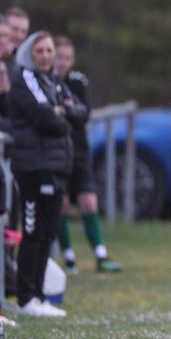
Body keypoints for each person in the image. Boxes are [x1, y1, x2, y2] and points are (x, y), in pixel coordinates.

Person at [8, 31, 84, 317]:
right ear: (29, 53)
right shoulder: (25, 79)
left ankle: (39, 295)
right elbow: (47, 118)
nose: (45, 56)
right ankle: (26, 298)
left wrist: (63, 113)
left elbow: (81, 112)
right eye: (39, 51)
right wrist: (61, 115)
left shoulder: (54, 81)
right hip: (34, 168)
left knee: (48, 232)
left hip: (56, 167)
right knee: (33, 232)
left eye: (49, 50)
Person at [53, 36, 123, 274]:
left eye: (67, 58)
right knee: (61, 204)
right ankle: (69, 257)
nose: (62, 62)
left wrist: (67, 111)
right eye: (59, 57)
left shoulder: (78, 81)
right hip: (57, 152)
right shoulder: (45, 82)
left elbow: (83, 114)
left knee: (89, 202)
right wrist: (68, 111)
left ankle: (101, 254)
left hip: (79, 151)